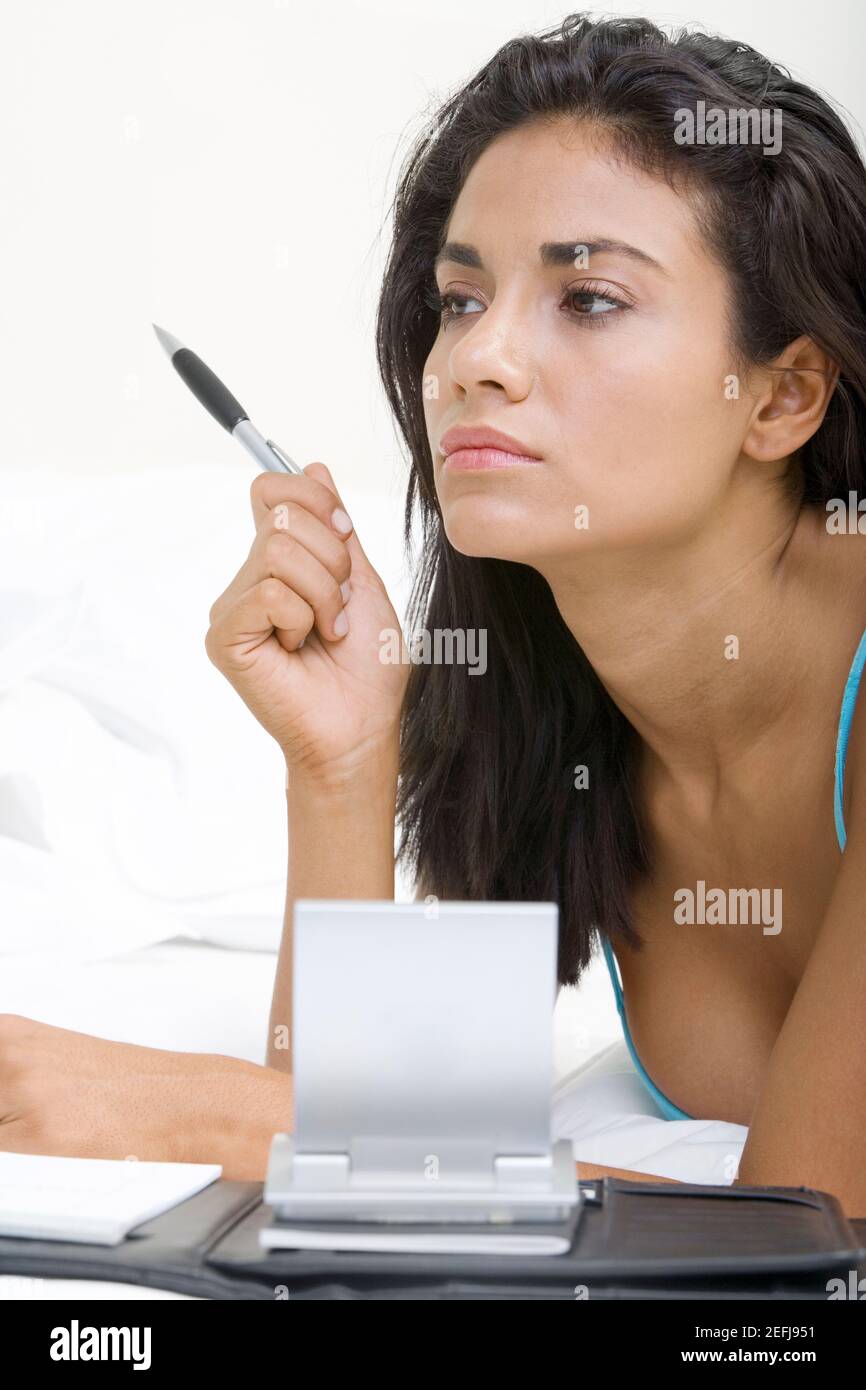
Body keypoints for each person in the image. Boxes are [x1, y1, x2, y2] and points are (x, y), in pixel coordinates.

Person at [3, 14, 865, 1214]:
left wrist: (192, 1105)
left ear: (781, 396)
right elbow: (375, 1138)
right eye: (460, 299)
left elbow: (812, 1231)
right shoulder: (554, 709)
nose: (477, 359)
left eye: (590, 298)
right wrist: (345, 763)